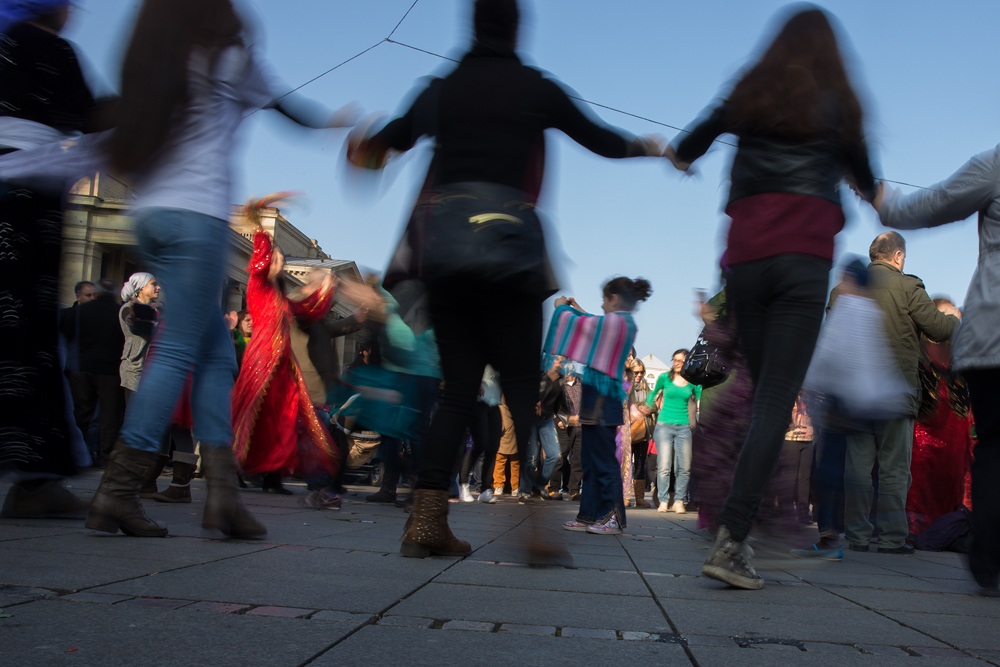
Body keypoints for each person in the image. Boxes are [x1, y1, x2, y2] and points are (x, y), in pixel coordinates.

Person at [0, 0, 358, 538]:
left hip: (152, 218)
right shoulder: (231, 57)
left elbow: (107, 131)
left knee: (214, 357)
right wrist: (342, 123)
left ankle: (222, 496)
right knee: (176, 353)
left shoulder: (155, 58)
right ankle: (118, 491)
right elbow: (293, 110)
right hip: (197, 221)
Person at [349, 0, 663, 558]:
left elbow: (386, 143)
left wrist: (364, 145)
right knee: (520, 389)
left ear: (471, 25)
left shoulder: (440, 88)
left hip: (445, 248)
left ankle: (424, 524)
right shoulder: (535, 87)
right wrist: (649, 147)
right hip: (510, 251)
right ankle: (534, 533)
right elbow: (599, 139)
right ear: (518, 27)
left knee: (457, 394)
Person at [665, 7, 878, 589]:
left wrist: (679, 159)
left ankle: (748, 530)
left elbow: (689, 145)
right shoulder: (839, 102)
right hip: (801, 265)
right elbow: (868, 177)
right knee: (772, 404)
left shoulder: (751, 90)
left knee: (764, 399)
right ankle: (735, 537)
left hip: (747, 261)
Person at [874, 147, 1000, 596]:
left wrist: (881, 198)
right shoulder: (908, 289)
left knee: (995, 448)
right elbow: (934, 325)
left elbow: (932, 205)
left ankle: (990, 562)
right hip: (974, 346)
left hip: (993, 336)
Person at [842, 233, 958, 555]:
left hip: (856, 394)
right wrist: (953, 318)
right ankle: (893, 538)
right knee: (894, 469)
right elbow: (938, 328)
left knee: (857, 468)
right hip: (895, 392)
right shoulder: (908, 287)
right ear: (898, 257)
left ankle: (857, 535)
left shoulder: (847, 288)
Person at [232, 207, 340, 497]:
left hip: (283, 368)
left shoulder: (280, 297)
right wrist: (261, 231)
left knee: (284, 421)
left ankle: (273, 477)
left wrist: (326, 289)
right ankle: (237, 469)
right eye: (277, 258)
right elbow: (260, 257)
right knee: (255, 418)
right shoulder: (258, 286)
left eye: (279, 257)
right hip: (262, 363)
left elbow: (308, 309)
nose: (279, 261)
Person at [552, 277, 650, 536]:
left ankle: (613, 518)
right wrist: (577, 310)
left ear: (614, 297)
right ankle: (589, 515)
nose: (602, 305)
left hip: (604, 399)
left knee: (604, 461)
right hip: (597, 397)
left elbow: (589, 325)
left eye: (605, 300)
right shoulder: (620, 322)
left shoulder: (619, 322)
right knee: (590, 461)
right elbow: (593, 323)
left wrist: (562, 309)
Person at [905, 299, 974, 539]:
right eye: (943, 316)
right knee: (920, 483)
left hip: (955, 431)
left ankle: (945, 531)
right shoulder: (918, 347)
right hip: (923, 432)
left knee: (951, 481)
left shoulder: (961, 350)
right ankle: (915, 530)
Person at [640, 349, 700, 513]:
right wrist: (647, 404)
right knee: (664, 465)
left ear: (687, 362)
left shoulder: (692, 381)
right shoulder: (664, 378)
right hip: (664, 426)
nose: (677, 363)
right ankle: (664, 500)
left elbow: (700, 395)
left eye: (681, 360)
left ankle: (679, 501)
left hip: (684, 427)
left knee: (683, 467)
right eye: (675, 360)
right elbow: (653, 392)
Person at [74, 279, 126, 467]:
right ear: (114, 294)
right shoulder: (121, 313)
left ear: (96, 293)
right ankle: (105, 456)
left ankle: (79, 453)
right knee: (109, 416)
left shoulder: (80, 311)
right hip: (111, 371)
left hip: (82, 367)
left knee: (81, 412)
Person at [518, 357, 566, 502]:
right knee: (532, 457)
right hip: (531, 419)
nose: (560, 363)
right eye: (557, 359)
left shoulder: (561, 379)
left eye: (563, 360)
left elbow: (561, 403)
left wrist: (567, 417)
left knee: (554, 454)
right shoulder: (539, 374)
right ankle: (524, 491)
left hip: (547, 420)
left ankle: (538, 485)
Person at [119, 272, 160, 405]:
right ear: (141, 288)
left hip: (155, 371)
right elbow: (139, 328)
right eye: (154, 284)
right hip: (135, 370)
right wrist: (137, 312)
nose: (158, 287)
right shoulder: (126, 309)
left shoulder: (157, 310)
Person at [549, 365, 583, 500]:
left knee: (578, 460)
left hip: (581, 426)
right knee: (560, 457)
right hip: (564, 426)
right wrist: (557, 420)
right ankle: (553, 489)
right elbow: (551, 405)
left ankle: (574, 490)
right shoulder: (558, 385)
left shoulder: (581, 384)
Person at [627, 358, 654, 508]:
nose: (639, 375)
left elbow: (654, 403)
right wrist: (640, 407)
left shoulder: (647, 388)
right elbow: (624, 403)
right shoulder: (626, 387)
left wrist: (649, 408)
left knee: (640, 464)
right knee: (625, 465)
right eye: (636, 372)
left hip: (644, 431)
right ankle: (624, 496)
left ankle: (639, 498)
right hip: (628, 429)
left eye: (641, 372)